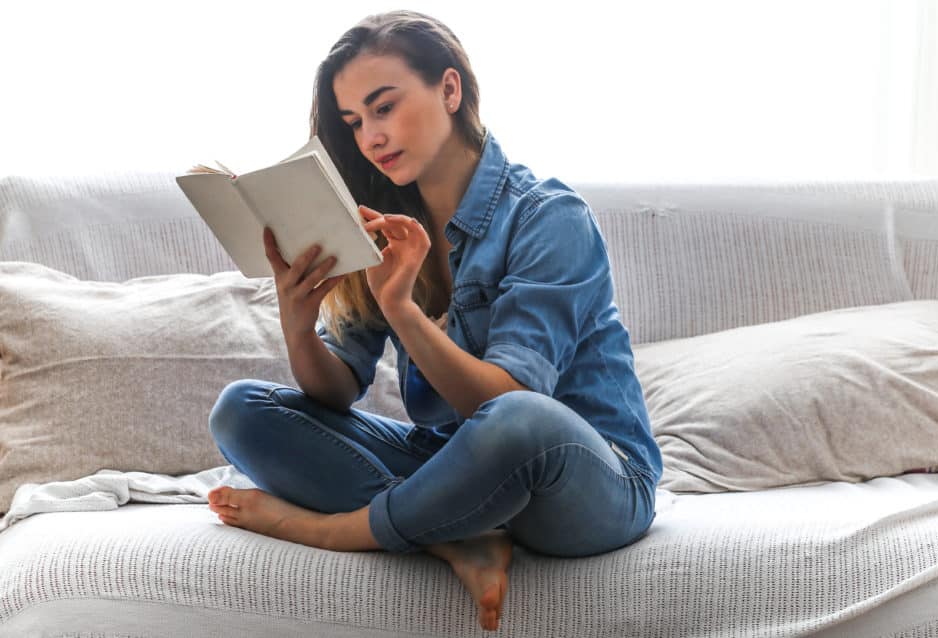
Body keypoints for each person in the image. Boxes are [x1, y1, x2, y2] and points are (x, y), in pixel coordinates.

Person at [205, 9, 662, 632]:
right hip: (458, 464)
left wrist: (403, 310)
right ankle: (453, 535)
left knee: (518, 420)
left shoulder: (548, 216)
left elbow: (512, 403)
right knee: (241, 411)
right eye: (354, 122)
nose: (369, 137)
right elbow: (336, 390)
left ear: (450, 90)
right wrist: (297, 317)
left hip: (590, 477)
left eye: (384, 107)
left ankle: (341, 530)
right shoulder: (384, 223)